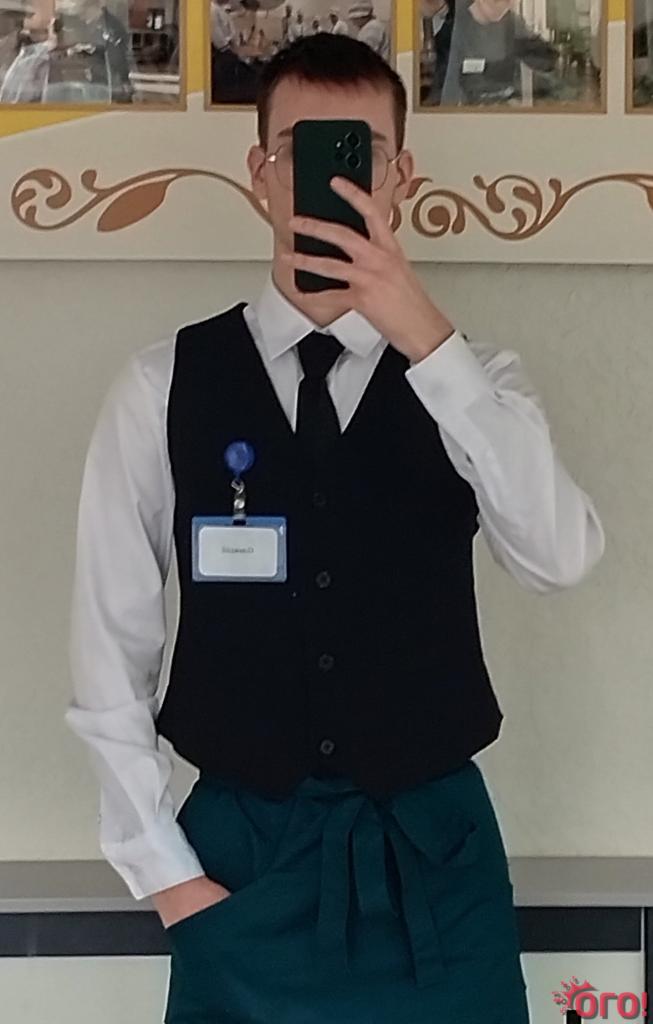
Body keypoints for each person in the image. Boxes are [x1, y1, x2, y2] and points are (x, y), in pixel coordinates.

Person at [65, 31, 605, 1024]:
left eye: (360, 154)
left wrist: (423, 336)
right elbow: (109, 652)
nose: (330, 179)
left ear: (400, 177)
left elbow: (559, 557)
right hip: (240, 858)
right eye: (300, 151)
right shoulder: (161, 387)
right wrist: (169, 880)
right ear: (260, 175)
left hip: (434, 857)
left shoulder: (475, 380)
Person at [440, 0, 558, 106]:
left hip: (502, 108)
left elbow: (546, 59)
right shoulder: (454, 23)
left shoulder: (512, 23)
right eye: (501, 1)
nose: (509, 5)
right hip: (459, 110)